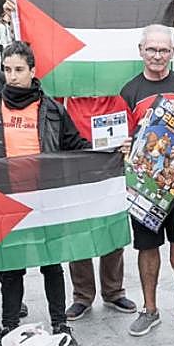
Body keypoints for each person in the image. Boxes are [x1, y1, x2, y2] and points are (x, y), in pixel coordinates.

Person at [0, 41, 87, 346]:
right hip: (6, 201)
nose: (13, 76)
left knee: (52, 264)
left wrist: (108, 153)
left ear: (33, 72)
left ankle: (60, 325)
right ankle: (9, 329)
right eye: (7, 70)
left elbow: (76, 145)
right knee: (11, 268)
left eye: (19, 70)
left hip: (44, 198)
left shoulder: (53, 109)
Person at [119, 24, 174, 338]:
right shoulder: (128, 91)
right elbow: (121, 138)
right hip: (146, 186)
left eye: (164, 50)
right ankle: (149, 309)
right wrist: (127, 142)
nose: (157, 55)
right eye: (152, 50)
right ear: (141, 51)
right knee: (146, 248)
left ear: (172, 52)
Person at [61, 93, 136, 321]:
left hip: (110, 172)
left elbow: (131, 132)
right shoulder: (63, 99)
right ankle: (82, 296)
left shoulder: (117, 98)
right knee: (79, 234)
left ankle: (113, 291)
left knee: (112, 230)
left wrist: (127, 144)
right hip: (75, 173)